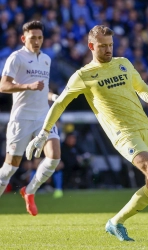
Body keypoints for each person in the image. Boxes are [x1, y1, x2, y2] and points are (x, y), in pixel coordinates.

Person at [25, 25, 148, 241]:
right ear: (91, 46)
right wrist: (44, 133)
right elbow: (60, 104)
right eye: (103, 46)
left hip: (146, 128)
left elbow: (141, 86)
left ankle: (115, 222)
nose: (108, 49)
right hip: (124, 134)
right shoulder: (83, 75)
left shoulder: (123, 64)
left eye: (110, 45)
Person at [0, 20, 61, 216]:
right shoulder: (16, 58)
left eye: (40, 37)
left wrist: (52, 96)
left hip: (43, 116)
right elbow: (3, 86)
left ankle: (30, 190)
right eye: (33, 37)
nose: (37, 41)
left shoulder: (46, 59)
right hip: (22, 119)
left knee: (54, 157)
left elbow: (43, 87)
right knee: (10, 169)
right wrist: (28, 86)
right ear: (23, 38)